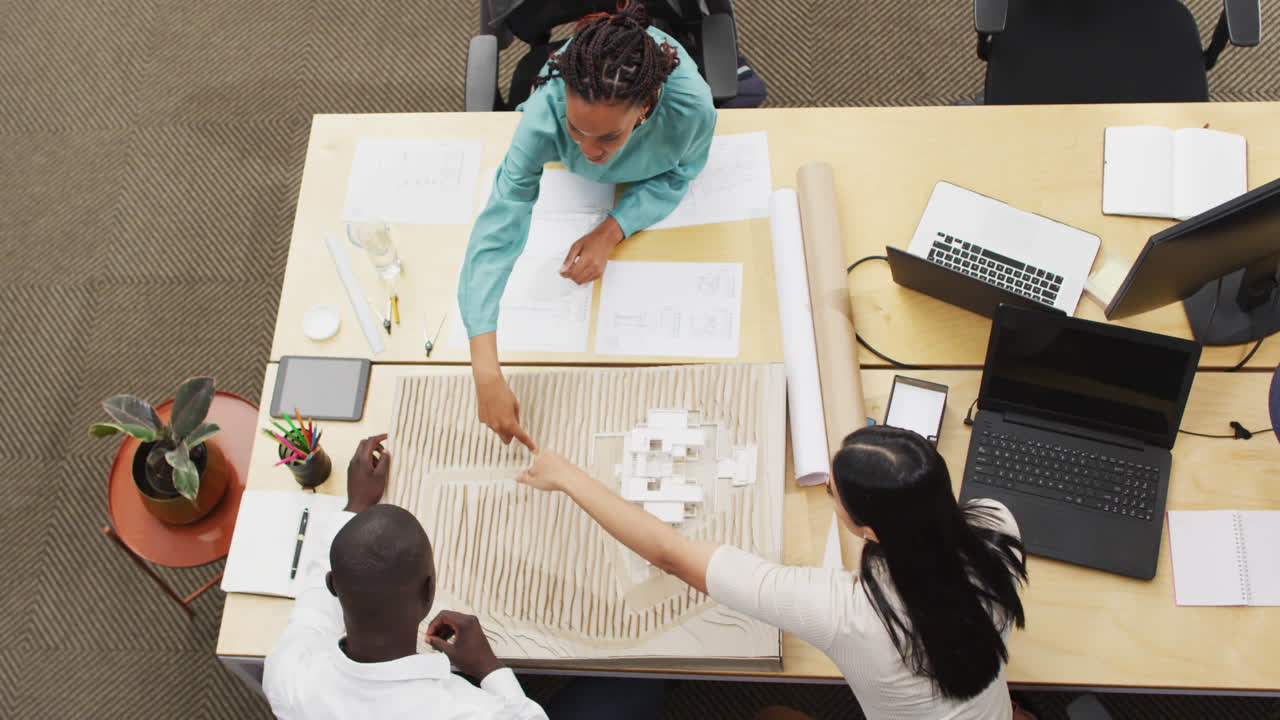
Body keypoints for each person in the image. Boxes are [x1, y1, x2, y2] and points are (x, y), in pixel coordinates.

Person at [518, 425, 1033, 720]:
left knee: (769, 717)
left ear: (870, 531)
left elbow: (671, 555)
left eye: (833, 491)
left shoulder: (847, 613)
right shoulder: (996, 525)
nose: (830, 493)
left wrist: (565, 475)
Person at [459, 0, 717, 451]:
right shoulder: (545, 111)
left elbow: (679, 174)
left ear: (645, 107)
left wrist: (612, 229)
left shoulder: (690, 108)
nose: (587, 152)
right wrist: (485, 368)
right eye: (575, 130)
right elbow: (501, 220)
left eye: (608, 137)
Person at [263, 434, 548, 720]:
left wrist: (355, 506)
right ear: (429, 591)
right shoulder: (466, 711)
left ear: (332, 586)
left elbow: (311, 612)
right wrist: (488, 669)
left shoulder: (288, 674)